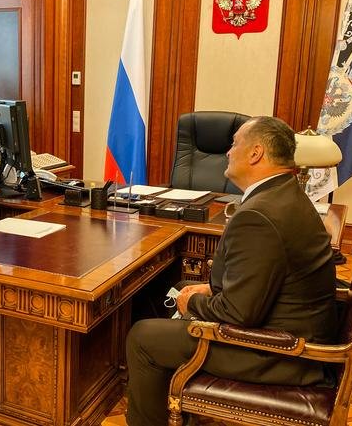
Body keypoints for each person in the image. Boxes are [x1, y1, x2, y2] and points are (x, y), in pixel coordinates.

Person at [125, 116, 339, 426]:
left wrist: (192, 302)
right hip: (293, 328)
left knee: (143, 336)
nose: (228, 151)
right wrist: (208, 290)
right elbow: (264, 277)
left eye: (235, 143)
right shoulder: (286, 194)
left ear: (255, 153)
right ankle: (171, 403)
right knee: (174, 288)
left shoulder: (258, 215)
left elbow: (239, 314)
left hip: (279, 352)